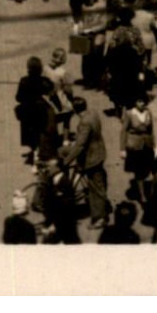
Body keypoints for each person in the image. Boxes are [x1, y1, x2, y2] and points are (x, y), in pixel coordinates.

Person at [61, 94, 110, 229]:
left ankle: (99, 218)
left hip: (92, 157)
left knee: (96, 188)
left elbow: (81, 145)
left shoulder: (84, 122)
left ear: (76, 110)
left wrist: (67, 160)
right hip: (99, 151)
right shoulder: (93, 113)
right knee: (98, 184)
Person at [15, 57, 53, 166]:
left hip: (27, 111)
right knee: (40, 131)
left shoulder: (24, 81)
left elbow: (18, 98)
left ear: (28, 69)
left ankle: (32, 151)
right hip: (40, 110)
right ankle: (37, 152)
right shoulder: (45, 81)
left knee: (28, 131)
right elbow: (51, 89)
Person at [104, 16, 145, 115]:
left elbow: (111, 46)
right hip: (132, 62)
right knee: (131, 85)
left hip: (119, 61)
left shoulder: (118, 31)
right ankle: (128, 106)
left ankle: (118, 106)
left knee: (117, 85)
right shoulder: (135, 30)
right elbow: (141, 48)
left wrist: (107, 64)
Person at [120, 93, 157, 203]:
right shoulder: (130, 113)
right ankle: (142, 195)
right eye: (139, 101)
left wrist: (153, 142)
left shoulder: (148, 112)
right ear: (135, 102)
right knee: (139, 171)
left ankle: (152, 191)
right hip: (135, 146)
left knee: (151, 169)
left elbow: (151, 129)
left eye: (143, 102)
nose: (141, 104)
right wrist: (122, 149)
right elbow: (123, 131)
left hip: (147, 145)